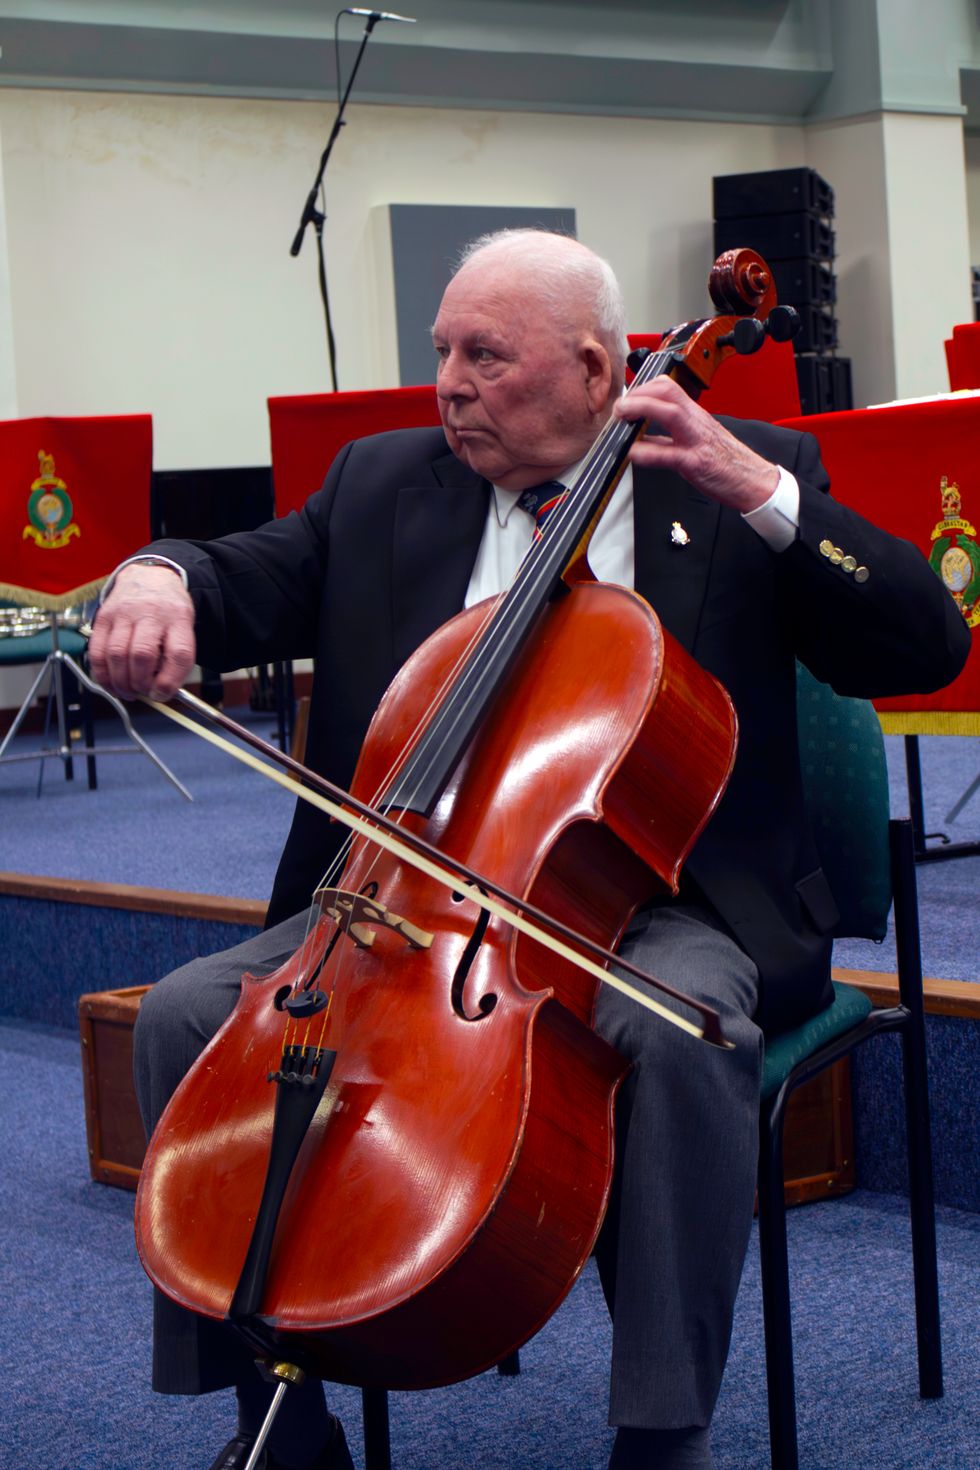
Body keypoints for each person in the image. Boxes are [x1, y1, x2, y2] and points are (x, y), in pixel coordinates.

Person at [89, 229, 970, 1470]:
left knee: (682, 1036)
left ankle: (659, 1431)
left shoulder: (736, 470)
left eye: (485, 357)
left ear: (597, 370)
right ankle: (272, 1417)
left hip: (658, 893)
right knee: (187, 1015)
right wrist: (154, 576)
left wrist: (759, 495)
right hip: (401, 889)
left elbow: (924, 643)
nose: (447, 384)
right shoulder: (382, 481)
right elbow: (234, 575)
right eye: (441, 350)